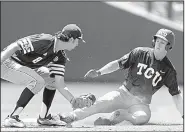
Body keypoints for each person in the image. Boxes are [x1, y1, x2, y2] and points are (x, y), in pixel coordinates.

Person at [58, 28, 183, 126]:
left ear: (168, 46)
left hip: (141, 104)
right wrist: (99, 72)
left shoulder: (168, 69)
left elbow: (176, 94)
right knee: (98, 104)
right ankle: (71, 116)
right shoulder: (140, 52)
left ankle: (117, 118)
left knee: (142, 118)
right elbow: (118, 64)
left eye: (162, 42)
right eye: (157, 40)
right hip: (122, 94)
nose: (158, 44)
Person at [1, 24, 94, 127]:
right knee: (38, 81)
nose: (77, 44)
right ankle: (12, 118)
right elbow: (15, 46)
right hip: (7, 63)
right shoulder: (46, 40)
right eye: (78, 40)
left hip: (24, 67)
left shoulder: (60, 56)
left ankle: (44, 117)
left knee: (52, 78)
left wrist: (73, 100)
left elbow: (59, 83)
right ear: (71, 39)